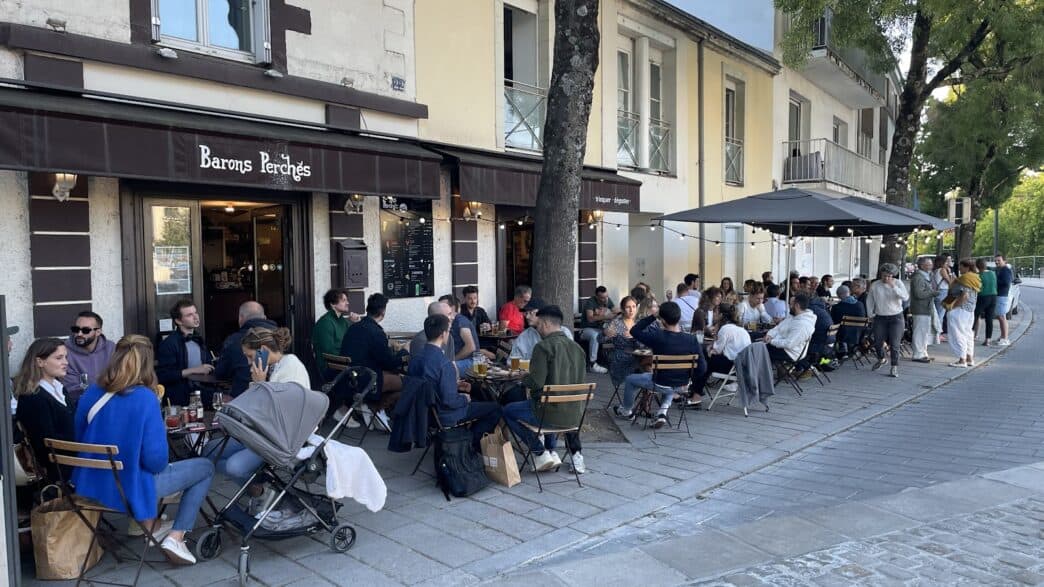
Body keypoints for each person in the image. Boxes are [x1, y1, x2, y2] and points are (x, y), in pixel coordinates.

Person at [73, 335, 214, 565]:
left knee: (139, 467)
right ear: (148, 363)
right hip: (127, 486)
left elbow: (80, 438)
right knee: (205, 467)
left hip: (92, 483)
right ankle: (176, 537)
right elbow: (156, 461)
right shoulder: (145, 398)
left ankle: (153, 527)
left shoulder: (91, 392)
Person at [502, 306, 588, 473]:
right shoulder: (578, 349)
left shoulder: (543, 347)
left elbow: (535, 383)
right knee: (545, 403)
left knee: (507, 410)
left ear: (547, 324)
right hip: (575, 415)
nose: (538, 328)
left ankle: (539, 452)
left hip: (548, 414)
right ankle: (550, 451)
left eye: (540, 324)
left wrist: (523, 376)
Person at [408, 314, 501, 449]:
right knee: (495, 408)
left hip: (423, 413)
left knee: (478, 401)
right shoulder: (444, 363)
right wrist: (465, 398)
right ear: (443, 334)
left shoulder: (415, 359)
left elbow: (428, 385)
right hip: (445, 415)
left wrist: (454, 385)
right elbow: (449, 401)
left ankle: (463, 441)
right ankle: (470, 446)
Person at [615, 301, 705, 427]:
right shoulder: (691, 340)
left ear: (662, 319)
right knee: (670, 383)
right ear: (679, 317)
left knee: (630, 379)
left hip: (660, 382)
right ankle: (662, 411)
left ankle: (626, 410)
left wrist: (653, 316)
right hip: (682, 385)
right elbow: (702, 367)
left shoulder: (657, 336)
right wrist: (689, 381)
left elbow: (634, 331)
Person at [339, 293, 408, 427]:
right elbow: (389, 363)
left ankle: (373, 406)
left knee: (394, 376)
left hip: (350, 378)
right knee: (411, 384)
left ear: (367, 309)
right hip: (367, 380)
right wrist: (404, 351)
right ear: (383, 312)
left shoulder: (353, 328)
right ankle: (376, 407)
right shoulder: (376, 332)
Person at [12, 338, 73, 483]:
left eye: (66, 357)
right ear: (40, 362)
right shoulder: (33, 397)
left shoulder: (60, 389)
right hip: (58, 469)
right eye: (59, 358)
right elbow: (45, 442)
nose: (66, 362)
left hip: (72, 460)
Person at [156, 300, 214, 406]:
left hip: (202, 394)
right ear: (178, 321)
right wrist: (195, 370)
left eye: (195, 312)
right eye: (189, 315)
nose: (196, 317)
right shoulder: (169, 343)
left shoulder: (198, 339)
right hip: (180, 399)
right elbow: (164, 375)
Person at [214, 301, 277, 398]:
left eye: (250, 356)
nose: (249, 363)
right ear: (264, 318)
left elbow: (220, 373)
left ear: (240, 318)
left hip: (243, 399)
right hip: (276, 399)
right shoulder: (280, 338)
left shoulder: (234, 340)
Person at [692, 303, 750, 392]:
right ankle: (698, 387)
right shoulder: (741, 329)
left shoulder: (725, 329)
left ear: (721, 315)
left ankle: (696, 389)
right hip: (741, 366)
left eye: (715, 312)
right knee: (705, 356)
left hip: (731, 366)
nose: (713, 314)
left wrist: (710, 348)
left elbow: (716, 350)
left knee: (702, 357)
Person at [865, 263, 909, 377]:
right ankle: (881, 358)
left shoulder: (898, 283)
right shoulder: (875, 285)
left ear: (893, 276)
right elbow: (870, 300)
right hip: (880, 316)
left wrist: (893, 287)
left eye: (889, 276)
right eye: (884, 276)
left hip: (896, 317)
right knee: (878, 341)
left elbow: (905, 297)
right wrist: (870, 314)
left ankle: (894, 367)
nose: (886, 278)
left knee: (895, 344)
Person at [63, 310, 116, 402]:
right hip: (78, 405)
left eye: (85, 330)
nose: (79, 334)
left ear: (98, 332)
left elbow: (119, 380)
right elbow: (72, 390)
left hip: (111, 402)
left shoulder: (111, 348)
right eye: (76, 329)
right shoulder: (64, 351)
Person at [312, 288, 359, 378]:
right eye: (344, 300)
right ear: (333, 304)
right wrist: (351, 359)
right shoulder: (325, 323)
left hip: (345, 363)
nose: (347, 303)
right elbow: (329, 352)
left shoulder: (343, 321)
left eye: (347, 300)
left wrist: (356, 323)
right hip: (331, 368)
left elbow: (354, 339)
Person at [243, 327, 310, 388]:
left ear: (263, 349)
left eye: (250, 356)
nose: (249, 362)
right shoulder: (272, 367)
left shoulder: (290, 367)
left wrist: (259, 383)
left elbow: (283, 400)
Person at [600, 296, 640, 391]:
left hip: (640, 355)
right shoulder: (616, 323)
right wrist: (605, 333)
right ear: (622, 309)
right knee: (645, 369)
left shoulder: (639, 323)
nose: (631, 310)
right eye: (628, 307)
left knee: (651, 365)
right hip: (622, 357)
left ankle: (645, 400)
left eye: (634, 307)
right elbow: (600, 339)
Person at [946, 259, 981, 368]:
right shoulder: (975, 277)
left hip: (960, 310)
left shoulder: (965, 278)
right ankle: (969, 358)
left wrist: (952, 307)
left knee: (958, 334)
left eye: (961, 267)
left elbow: (964, 295)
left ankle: (962, 359)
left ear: (967, 267)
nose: (959, 269)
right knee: (967, 333)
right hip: (970, 310)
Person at [764, 294, 817, 364]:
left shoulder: (803, 325)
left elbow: (789, 344)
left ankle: (761, 372)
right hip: (782, 345)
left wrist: (771, 341)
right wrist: (770, 335)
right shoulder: (794, 315)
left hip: (790, 353)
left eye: (791, 304)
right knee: (759, 344)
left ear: (797, 306)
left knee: (760, 350)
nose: (789, 306)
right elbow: (779, 327)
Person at [579, 286, 615, 374]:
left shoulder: (607, 300)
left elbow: (615, 310)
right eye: (602, 298)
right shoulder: (590, 302)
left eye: (606, 296)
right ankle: (592, 364)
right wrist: (605, 316)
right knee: (595, 336)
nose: (605, 299)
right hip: (586, 329)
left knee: (616, 333)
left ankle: (616, 361)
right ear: (596, 296)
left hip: (600, 329)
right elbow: (590, 318)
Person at [440, 294, 480, 372]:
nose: (440, 308)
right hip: (462, 361)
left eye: (443, 306)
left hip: (471, 362)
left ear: (452, 307)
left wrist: (452, 360)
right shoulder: (447, 321)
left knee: (444, 369)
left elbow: (471, 347)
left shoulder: (460, 321)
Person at [908, 257, 936, 363]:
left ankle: (923, 352)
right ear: (922, 265)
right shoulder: (918, 277)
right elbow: (918, 294)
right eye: (929, 264)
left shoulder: (924, 276)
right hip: (920, 307)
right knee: (919, 331)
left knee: (924, 331)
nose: (931, 266)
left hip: (925, 307)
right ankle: (918, 354)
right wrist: (932, 293)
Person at [830, 285, 867, 358]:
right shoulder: (860, 304)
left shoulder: (836, 307)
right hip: (859, 334)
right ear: (849, 293)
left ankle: (841, 348)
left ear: (839, 295)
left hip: (843, 335)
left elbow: (833, 322)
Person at [973, 259, 998, 346]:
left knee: (975, 316)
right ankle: (988, 339)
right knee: (989, 319)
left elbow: (978, 288)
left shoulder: (978, 275)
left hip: (983, 297)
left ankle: (971, 335)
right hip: (993, 296)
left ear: (977, 266)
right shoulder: (992, 273)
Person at [931, 254, 954, 341]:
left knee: (937, 313)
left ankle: (935, 333)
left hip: (937, 292)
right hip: (943, 292)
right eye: (946, 262)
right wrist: (950, 273)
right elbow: (950, 282)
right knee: (941, 314)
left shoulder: (935, 270)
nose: (947, 263)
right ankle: (938, 334)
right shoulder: (943, 270)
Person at [994, 254, 1013, 346]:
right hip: (1000, 295)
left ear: (1005, 261)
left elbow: (1006, 282)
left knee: (1002, 317)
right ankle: (1002, 336)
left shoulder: (1005, 270)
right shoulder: (1001, 270)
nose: (997, 262)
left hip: (1002, 295)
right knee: (1000, 317)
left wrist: (995, 281)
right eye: (996, 261)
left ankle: (1005, 338)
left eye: (999, 260)